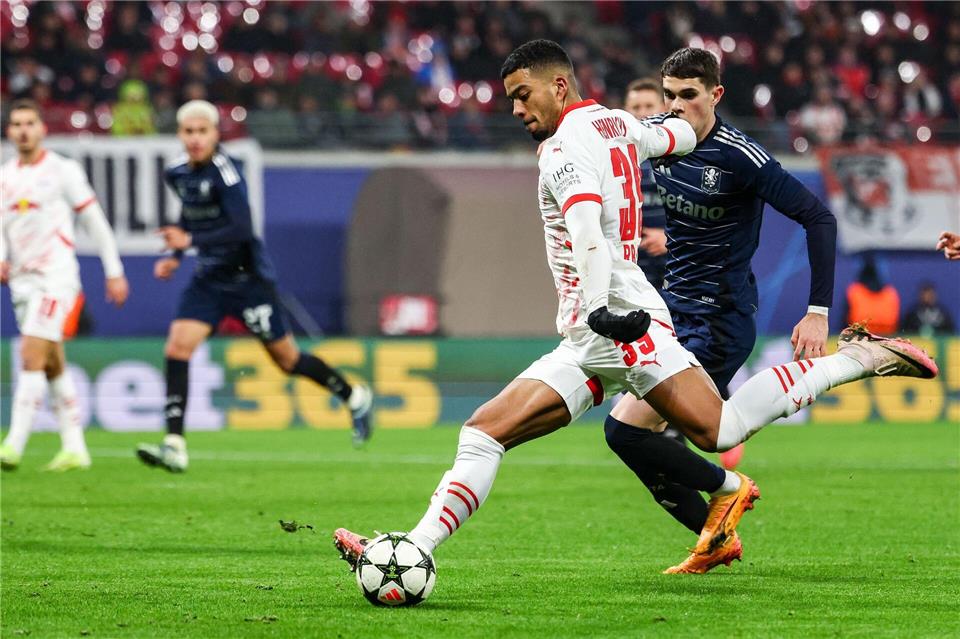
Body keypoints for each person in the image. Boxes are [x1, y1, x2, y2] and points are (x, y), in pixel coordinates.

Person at [332, 40, 937, 583]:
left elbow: (585, 230)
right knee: (485, 432)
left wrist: (600, 307)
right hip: (590, 336)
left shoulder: (562, 149)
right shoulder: (616, 123)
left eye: (522, 94)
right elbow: (678, 137)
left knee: (719, 431)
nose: (515, 109)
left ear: (558, 86)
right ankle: (413, 549)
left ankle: (857, 361)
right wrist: (678, 131)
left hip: (623, 324)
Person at [604, 47, 841, 572]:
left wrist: (818, 311)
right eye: (668, 95)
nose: (675, 106)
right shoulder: (659, 138)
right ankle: (716, 538)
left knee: (629, 433)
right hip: (670, 314)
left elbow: (819, 218)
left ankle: (730, 485)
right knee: (637, 442)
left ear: (715, 95)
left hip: (719, 321)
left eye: (688, 95)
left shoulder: (740, 156)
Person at [135, 100, 373, 473]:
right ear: (179, 134)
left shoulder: (227, 172)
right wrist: (176, 256)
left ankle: (354, 395)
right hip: (210, 279)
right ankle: (174, 445)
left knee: (288, 361)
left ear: (215, 134)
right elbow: (191, 214)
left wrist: (189, 241)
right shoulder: (177, 173)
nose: (195, 139)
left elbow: (242, 228)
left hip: (248, 280)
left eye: (202, 131)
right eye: (189, 132)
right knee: (177, 348)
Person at [0, 99, 129, 472]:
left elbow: (95, 221)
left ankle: (13, 444)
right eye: (17, 124)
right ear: (9, 132)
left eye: (30, 123)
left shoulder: (62, 170)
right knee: (51, 361)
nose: (23, 131)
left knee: (31, 353)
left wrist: (114, 270)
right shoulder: (4, 177)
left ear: (42, 129)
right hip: (22, 282)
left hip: (56, 279)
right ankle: (75, 448)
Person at [622, 78, 668, 291]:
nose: (642, 113)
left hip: (674, 268)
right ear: (625, 111)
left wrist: (669, 239)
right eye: (636, 107)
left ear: (664, 108)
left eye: (649, 106)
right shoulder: (612, 157)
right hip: (630, 270)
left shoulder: (683, 155)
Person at [844, 255, 899, 336]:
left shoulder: (854, 290)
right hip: (883, 336)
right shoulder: (891, 292)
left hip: (862, 336)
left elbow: (845, 321)